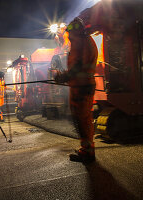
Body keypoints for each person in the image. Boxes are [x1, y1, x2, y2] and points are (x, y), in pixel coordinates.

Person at [54, 17, 98, 163]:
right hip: (83, 85)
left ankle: (87, 152)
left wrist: (62, 77)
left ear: (73, 30)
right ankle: (87, 150)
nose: (67, 35)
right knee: (84, 119)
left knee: (82, 120)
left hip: (81, 87)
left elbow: (77, 67)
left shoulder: (80, 42)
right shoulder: (86, 41)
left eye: (68, 32)